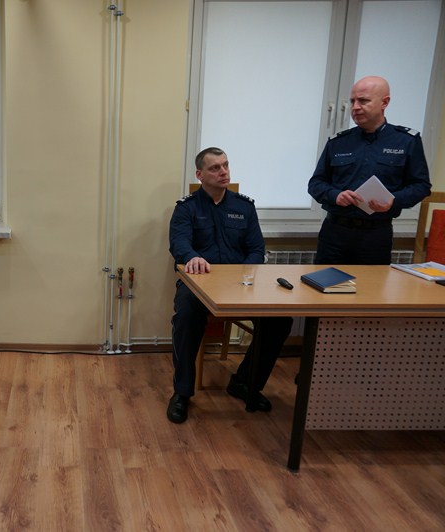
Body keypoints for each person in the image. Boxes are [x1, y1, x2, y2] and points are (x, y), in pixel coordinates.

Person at [167, 147, 293, 424]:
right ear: (200, 174)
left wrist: (244, 275)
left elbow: (256, 249)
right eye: (215, 168)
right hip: (199, 283)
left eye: (225, 165)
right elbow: (179, 244)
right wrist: (192, 257)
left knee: (280, 319)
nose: (223, 172)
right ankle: (182, 392)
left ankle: (245, 383)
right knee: (185, 316)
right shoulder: (186, 208)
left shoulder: (244, 207)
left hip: (240, 283)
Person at [308, 75, 431, 265]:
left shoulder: (406, 141)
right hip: (335, 232)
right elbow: (316, 184)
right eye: (352, 101)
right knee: (324, 282)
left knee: (371, 285)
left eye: (363, 101)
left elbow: (421, 186)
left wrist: (393, 200)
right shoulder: (338, 142)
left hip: (376, 235)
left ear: (384, 103)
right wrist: (335, 195)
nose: (355, 107)